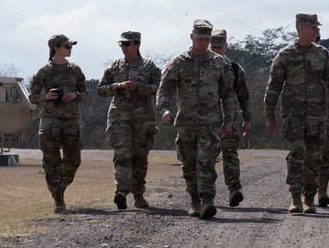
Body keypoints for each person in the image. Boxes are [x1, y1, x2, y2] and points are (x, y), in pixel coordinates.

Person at [265, 12, 329, 214]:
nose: (317, 31)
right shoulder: (284, 55)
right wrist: (269, 115)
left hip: (317, 116)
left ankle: (309, 198)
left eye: (317, 27)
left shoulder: (323, 54)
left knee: (314, 156)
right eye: (313, 27)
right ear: (301, 28)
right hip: (293, 116)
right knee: (297, 153)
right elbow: (273, 87)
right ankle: (295, 197)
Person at [157, 19, 235, 219]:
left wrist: (228, 120)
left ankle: (208, 199)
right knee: (189, 163)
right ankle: (194, 201)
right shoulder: (178, 62)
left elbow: (227, 94)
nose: (203, 43)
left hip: (210, 122)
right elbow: (164, 88)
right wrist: (165, 109)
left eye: (207, 39)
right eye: (200, 38)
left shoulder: (220, 63)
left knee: (207, 160)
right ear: (192, 37)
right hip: (185, 122)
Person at [96, 31, 163, 210]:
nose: (124, 47)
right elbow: (100, 90)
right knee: (122, 154)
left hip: (143, 118)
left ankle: (139, 195)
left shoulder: (149, 67)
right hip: (119, 117)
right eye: (122, 44)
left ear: (138, 44)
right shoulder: (114, 67)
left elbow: (159, 88)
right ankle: (121, 193)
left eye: (128, 44)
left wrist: (138, 87)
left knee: (140, 157)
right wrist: (118, 86)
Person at [29, 34, 88, 213]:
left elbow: (85, 94)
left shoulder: (75, 70)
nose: (70, 49)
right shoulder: (43, 72)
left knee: (74, 160)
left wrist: (76, 95)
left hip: (71, 120)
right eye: (67, 46)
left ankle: (60, 187)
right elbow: (33, 97)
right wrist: (45, 97)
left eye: (71, 46)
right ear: (56, 48)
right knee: (51, 161)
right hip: (50, 121)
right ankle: (58, 200)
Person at [210, 28, 253, 207]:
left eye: (220, 47)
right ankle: (206, 193)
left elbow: (243, 95)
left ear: (226, 46)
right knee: (207, 157)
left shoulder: (234, 68)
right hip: (208, 120)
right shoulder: (201, 66)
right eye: (214, 46)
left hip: (229, 118)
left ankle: (234, 189)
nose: (217, 50)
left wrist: (247, 119)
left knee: (230, 155)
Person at [315, 30, 329, 207]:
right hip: (301, 117)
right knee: (303, 155)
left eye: (317, 39)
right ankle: (301, 194)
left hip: (325, 116)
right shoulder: (291, 55)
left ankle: (322, 190)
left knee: (325, 155)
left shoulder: (327, 58)